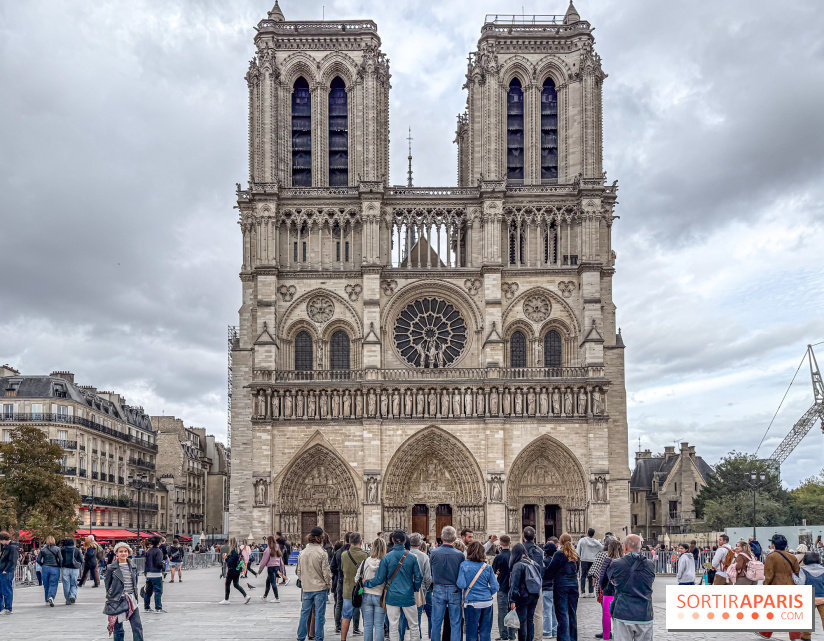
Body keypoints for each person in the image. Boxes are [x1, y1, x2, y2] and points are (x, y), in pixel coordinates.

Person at [364, 529, 422, 641]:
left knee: (393, 626)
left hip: (392, 596)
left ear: (392, 540)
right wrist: (414, 588)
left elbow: (379, 579)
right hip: (408, 596)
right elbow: (419, 577)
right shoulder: (412, 557)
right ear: (405, 541)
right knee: (414, 625)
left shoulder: (386, 558)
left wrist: (366, 583)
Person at [605, 535, 655, 641]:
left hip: (624, 611)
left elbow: (608, 583)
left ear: (625, 547)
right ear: (640, 547)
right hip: (644, 613)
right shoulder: (650, 564)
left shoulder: (617, 564)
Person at [758, 534, 802, 640]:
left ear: (773, 545)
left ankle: (765, 632)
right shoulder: (792, 556)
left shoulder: (771, 557)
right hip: (791, 587)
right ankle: (795, 635)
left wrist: (765, 586)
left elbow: (769, 574)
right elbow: (797, 571)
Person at [296, 527, 333, 641]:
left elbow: (299, 572)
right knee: (319, 615)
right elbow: (326, 572)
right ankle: (318, 638)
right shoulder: (322, 553)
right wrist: (328, 584)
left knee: (304, 614)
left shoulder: (302, 553)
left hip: (307, 588)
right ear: (319, 538)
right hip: (320, 588)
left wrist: (306, 581)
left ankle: (301, 637)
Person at [430, 525, 465, 641]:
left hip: (438, 588)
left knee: (436, 622)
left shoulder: (434, 553)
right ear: (455, 539)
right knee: (455, 623)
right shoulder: (459, 555)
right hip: (454, 589)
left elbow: (431, 571)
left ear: (441, 537)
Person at [458, 540, 499, 641]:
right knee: (485, 633)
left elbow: (461, 584)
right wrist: (487, 593)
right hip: (487, 602)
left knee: (471, 633)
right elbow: (495, 587)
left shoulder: (464, 565)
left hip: (472, 602)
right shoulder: (487, 567)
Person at [543, 534, 579, 641]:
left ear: (560, 542)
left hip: (561, 586)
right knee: (572, 613)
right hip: (573, 586)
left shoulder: (559, 554)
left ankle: (564, 638)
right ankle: (572, 638)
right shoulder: (575, 555)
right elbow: (576, 570)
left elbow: (551, 570)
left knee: (562, 614)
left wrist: (544, 573)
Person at [105, 542, 143, 641]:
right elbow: (107, 584)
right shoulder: (111, 568)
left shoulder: (133, 567)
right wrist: (112, 596)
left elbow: (135, 583)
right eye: (121, 551)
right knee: (118, 629)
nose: (123, 553)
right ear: (116, 553)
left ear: (129, 553)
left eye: (125, 551)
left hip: (131, 599)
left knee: (137, 627)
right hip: (118, 600)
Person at [402, 532, 432, 640]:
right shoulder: (424, 556)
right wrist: (425, 589)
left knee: (403, 617)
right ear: (420, 544)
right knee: (417, 618)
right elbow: (428, 577)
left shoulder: (404, 554)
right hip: (420, 589)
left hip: (405, 589)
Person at [509, 543, 541, 641]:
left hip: (523, 596)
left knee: (522, 621)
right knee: (530, 620)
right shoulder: (534, 563)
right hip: (534, 595)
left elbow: (515, 585)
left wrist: (512, 600)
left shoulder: (518, 565)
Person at [341, 532, 369, 641]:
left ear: (349, 542)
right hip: (361, 590)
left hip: (348, 590)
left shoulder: (344, 555)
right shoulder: (365, 555)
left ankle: (343, 639)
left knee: (346, 616)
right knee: (366, 617)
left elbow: (343, 569)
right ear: (360, 542)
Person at [597, 539, 625, 641]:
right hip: (621, 591)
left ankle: (606, 636)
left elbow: (603, 576)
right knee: (619, 615)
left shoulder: (608, 560)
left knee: (606, 614)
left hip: (608, 590)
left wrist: (603, 587)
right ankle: (619, 635)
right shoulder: (624, 561)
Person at [794, 551, 824, 641]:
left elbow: (800, 583)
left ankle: (806, 637)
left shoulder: (803, 570)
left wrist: (793, 576)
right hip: (822, 598)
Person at [493, 535, 515, 641]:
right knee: (513, 611)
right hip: (513, 588)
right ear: (510, 543)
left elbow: (493, 571)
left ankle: (503, 634)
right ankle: (512, 634)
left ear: (500, 544)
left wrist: (498, 572)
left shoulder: (499, 557)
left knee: (502, 612)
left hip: (502, 587)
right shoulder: (514, 556)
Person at [219, 537, 252, 605]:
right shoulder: (238, 550)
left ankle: (226, 599)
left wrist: (225, 558)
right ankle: (246, 596)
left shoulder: (233, 551)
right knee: (236, 584)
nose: (229, 543)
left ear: (231, 543)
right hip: (237, 569)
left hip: (232, 570)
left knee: (227, 584)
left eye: (230, 542)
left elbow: (230, 562)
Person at [37, 536, 62, 607]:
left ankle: (47, 599)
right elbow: (60, 559)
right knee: (53, 583)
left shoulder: (43, 549)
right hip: (55, 567)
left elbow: (38, 560)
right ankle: (51, 596)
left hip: (45, 567)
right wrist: (60, 566)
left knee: (46, 583)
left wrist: (42, 564)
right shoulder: (57, 549)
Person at [575, 529, 601, 598]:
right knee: (591, 576)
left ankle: (583, 592)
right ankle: (591, 592)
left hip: (584, 559)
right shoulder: (596, 541)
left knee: (583, 576)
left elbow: (578, 550)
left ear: (587, 533)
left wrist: (580, 556)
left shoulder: (582, 540)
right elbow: (602, 548)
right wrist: (596, 555)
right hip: (592, 560)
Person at [143, 536, 166, 613]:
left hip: (149, 573)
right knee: (158, 591)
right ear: (159, 543)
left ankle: (146, 606)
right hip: (156, 573)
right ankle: (158, 607)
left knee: (148, 592)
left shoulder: (148, 551)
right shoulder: (158, 551)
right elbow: (159, 563)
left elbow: (146, 562)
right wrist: (163, 564)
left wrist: (146, 572)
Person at [542, 538, 558, 639]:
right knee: (554, 611)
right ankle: (555, 630)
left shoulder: (545, 561)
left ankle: (547, 631)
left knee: (546, 611)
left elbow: (542, 574)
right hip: (555, 587)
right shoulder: (556, 560)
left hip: (546, 587)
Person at [259, 535, 284, 603]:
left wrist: (260, 571)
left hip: (271, 568)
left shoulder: (268, 550)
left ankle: (277, 598)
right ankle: (265, 596)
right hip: (276, 567)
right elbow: (280, 559)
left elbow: (264, 561)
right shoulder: (277, 549)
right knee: (268, 581)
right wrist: (282, 568)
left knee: (273, 582)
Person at [60, 537, 84, 605]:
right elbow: (81, 560)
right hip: (74, 569)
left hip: (65, 568)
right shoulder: (76, 550)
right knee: (74, 583)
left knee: (66, 585)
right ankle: (72, 595)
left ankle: (68, 599)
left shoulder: (62, 550)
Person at [0, 531, 18, 615]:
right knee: (2, 590)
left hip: (6, 571)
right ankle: (1, 607)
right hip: (2, 570)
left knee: (6, 589)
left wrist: (6, 570)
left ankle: (8, 608)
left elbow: (12, 561)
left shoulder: (12, 547)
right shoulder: (5, 547)